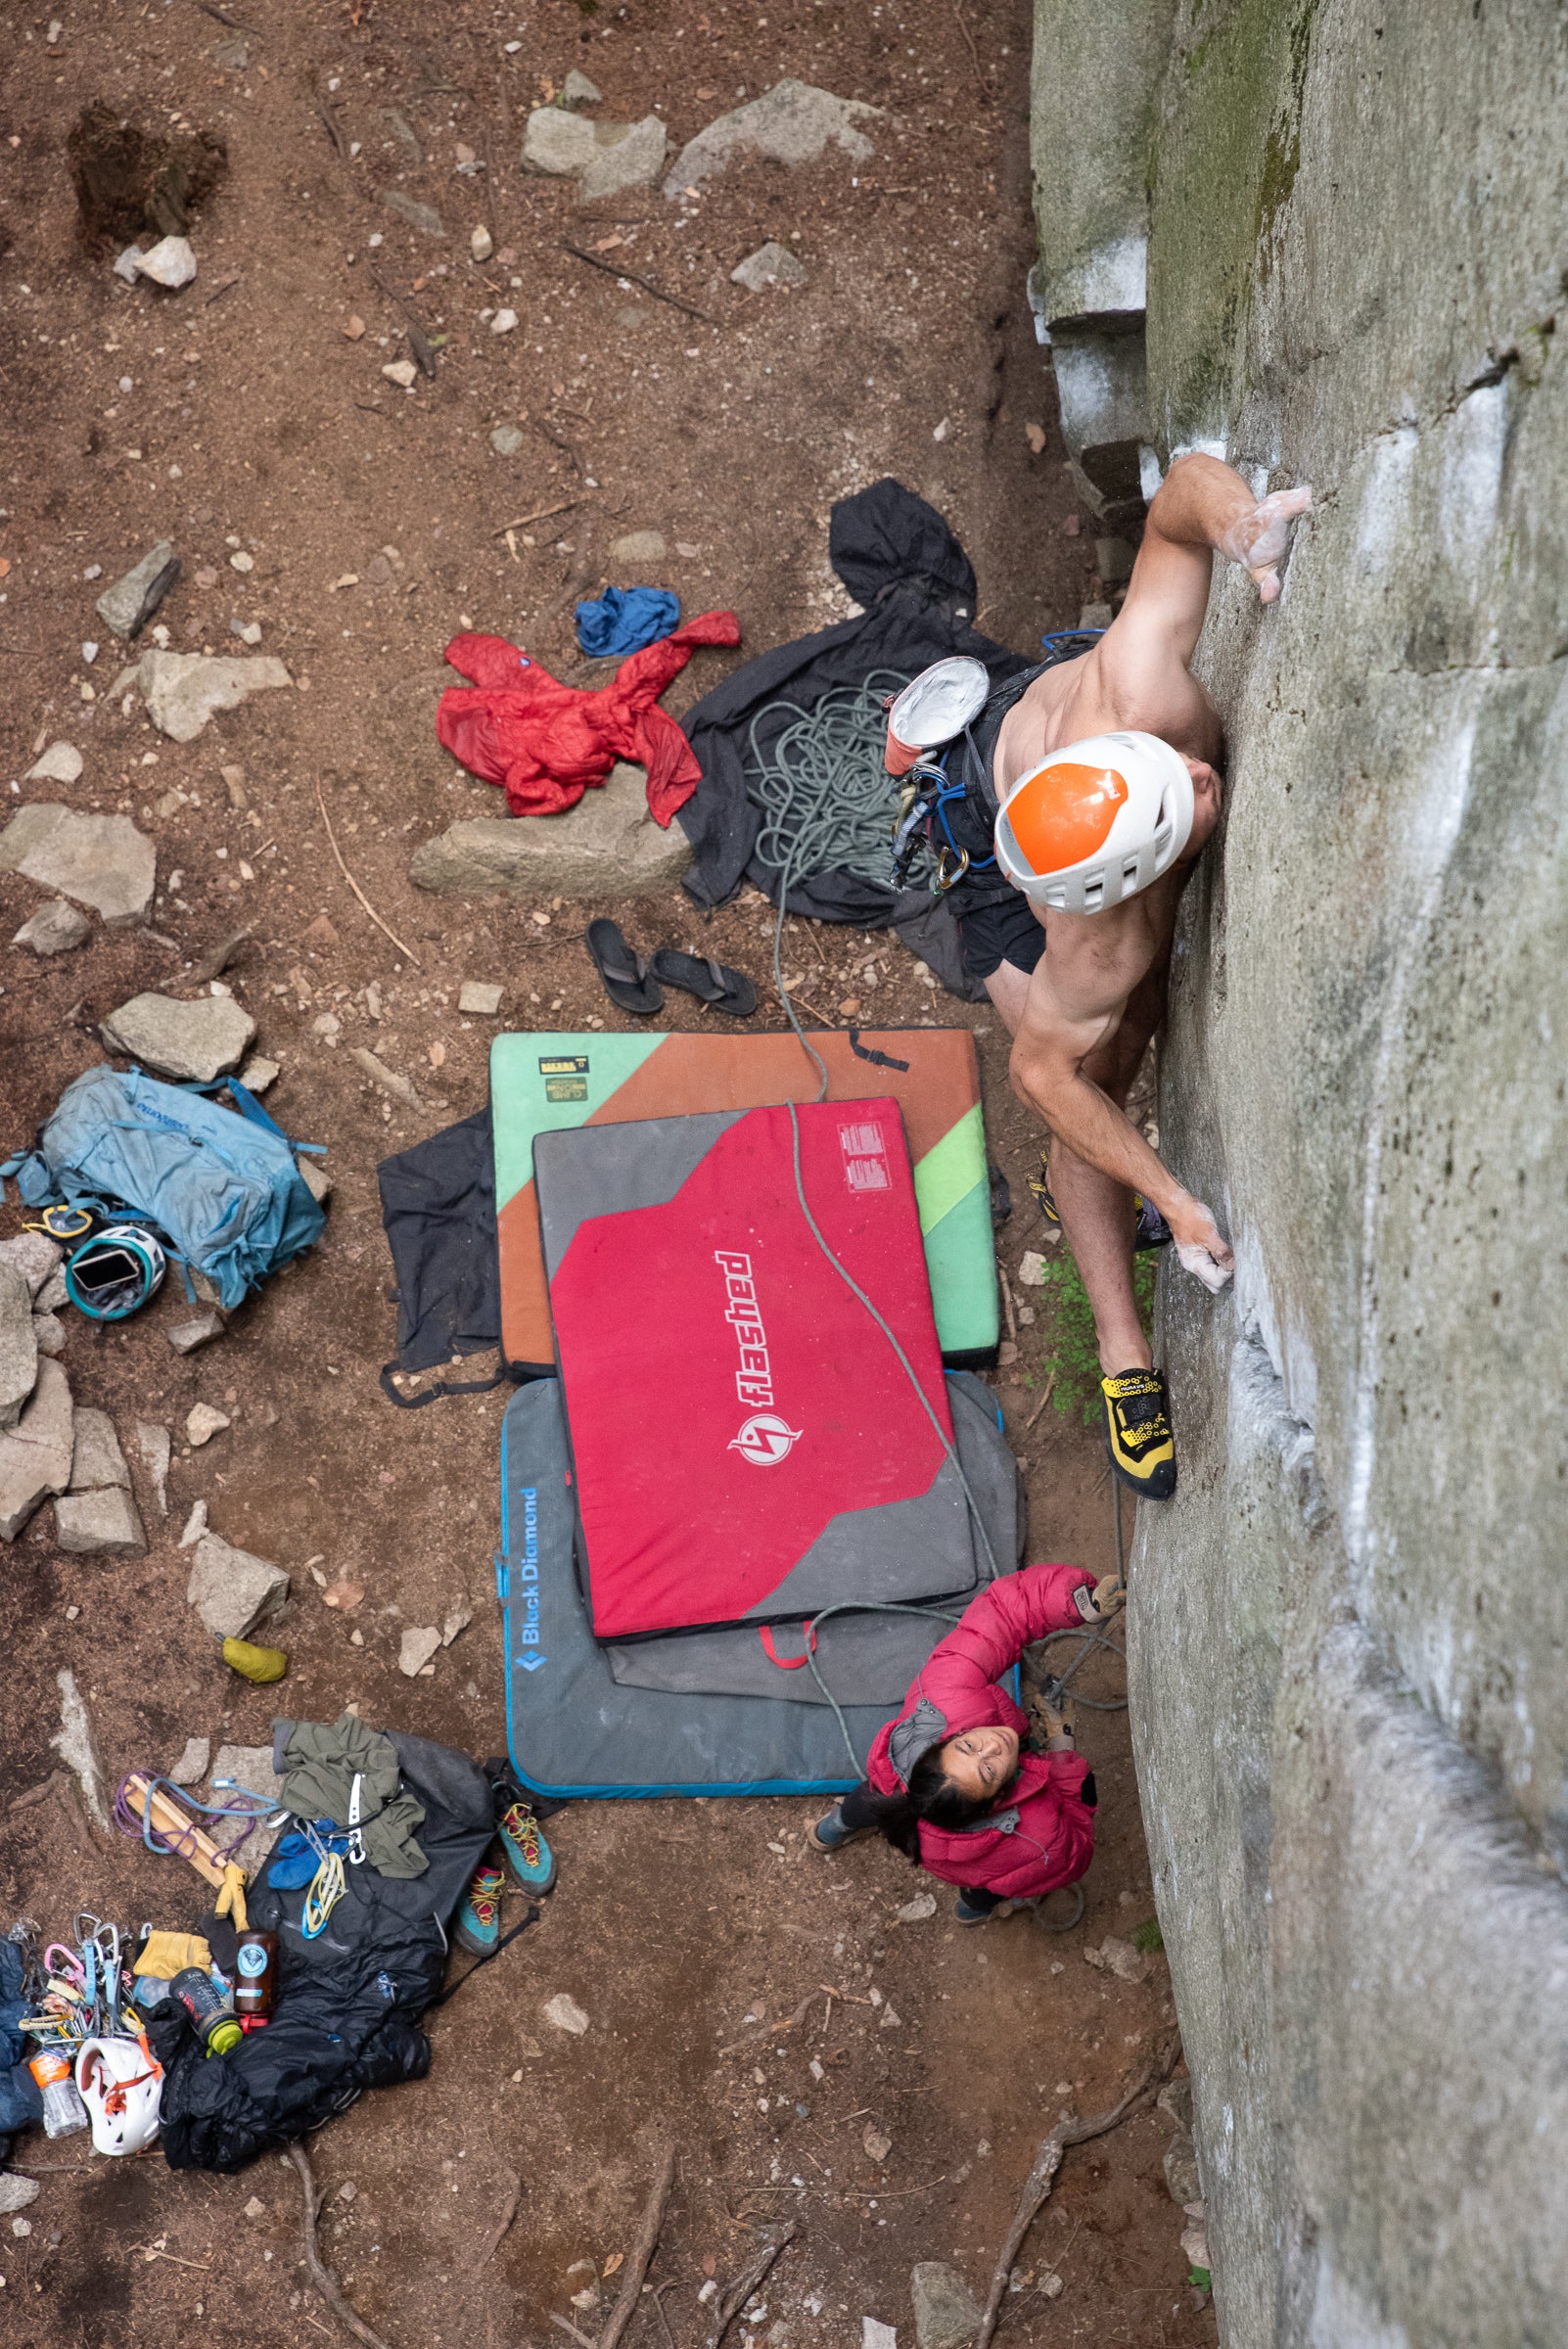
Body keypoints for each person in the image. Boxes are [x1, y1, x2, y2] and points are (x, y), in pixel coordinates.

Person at [924, 455, 1313, 1500]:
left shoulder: (1137, 695)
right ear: (1134, 880)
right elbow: (1044, 1078)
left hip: (1035, 738)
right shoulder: (1099, 939)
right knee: (1113, 1052)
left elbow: (1181, 499)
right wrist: (1174, 1199)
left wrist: (1241, 527)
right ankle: (1121, 1353)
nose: (1202, 776)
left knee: (1126, 1021)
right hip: (988, 848)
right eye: (1184, 804)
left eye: (1180, 772)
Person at [809, 1562, 1125, 1922]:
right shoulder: (1032, 1839)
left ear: (942, 1743)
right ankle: (971, 1913)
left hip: (914, 1811)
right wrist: (1061, 1745)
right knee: (991, 1883)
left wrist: (1079, 1604)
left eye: (968, 1747)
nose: (994, 1743)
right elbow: (1076, 1849)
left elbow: (1002, 1614)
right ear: (1001, 1800)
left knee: (873, 1800)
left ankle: (830, 1830)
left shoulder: (947, 1698)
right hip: (984, 1858)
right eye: (989, 1769)